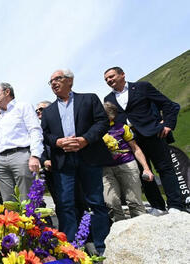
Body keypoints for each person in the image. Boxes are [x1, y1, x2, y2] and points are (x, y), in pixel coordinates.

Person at [41, 69, 112, 254]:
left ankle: (101, 246)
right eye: (51, 81)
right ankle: (71, 248)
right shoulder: (48, 112)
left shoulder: (89, 99)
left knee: (95, 201)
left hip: (88, 156)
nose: (54, 83)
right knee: (65, 204)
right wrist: (57, 141)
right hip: (63, 162)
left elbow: (102, 122)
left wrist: (84, 140)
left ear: (70, 81)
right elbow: (45, 135)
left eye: (58, 79)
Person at [103, 66, 184, 214]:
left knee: (164, 169)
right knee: (142, 173)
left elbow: (167, 104)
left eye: (111, 76)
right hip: (131, 140)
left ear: (122, 74)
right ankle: (157, 206)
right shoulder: (108, 99)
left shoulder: (142, 87)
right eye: (106, 79)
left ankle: (176, 205)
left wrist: (168, 125)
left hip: (153, 134)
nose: (109, 80)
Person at [0, 82, 44, 202]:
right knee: (8, 203)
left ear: (7, 92)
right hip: (1, 161)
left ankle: (30, 221)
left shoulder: (23, 107)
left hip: (21, 156)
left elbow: (35, 130)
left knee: (27, 200)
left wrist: (35, 156)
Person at [102, 101, 153, 221]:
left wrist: (146, 168)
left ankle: (141, 228)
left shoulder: (123, 128)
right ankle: (118, 230)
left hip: (127, 164)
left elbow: (136, 148)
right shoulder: (95, 130)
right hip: (105, 169)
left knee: (134, 200)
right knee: (111, 202)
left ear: (111, 115)